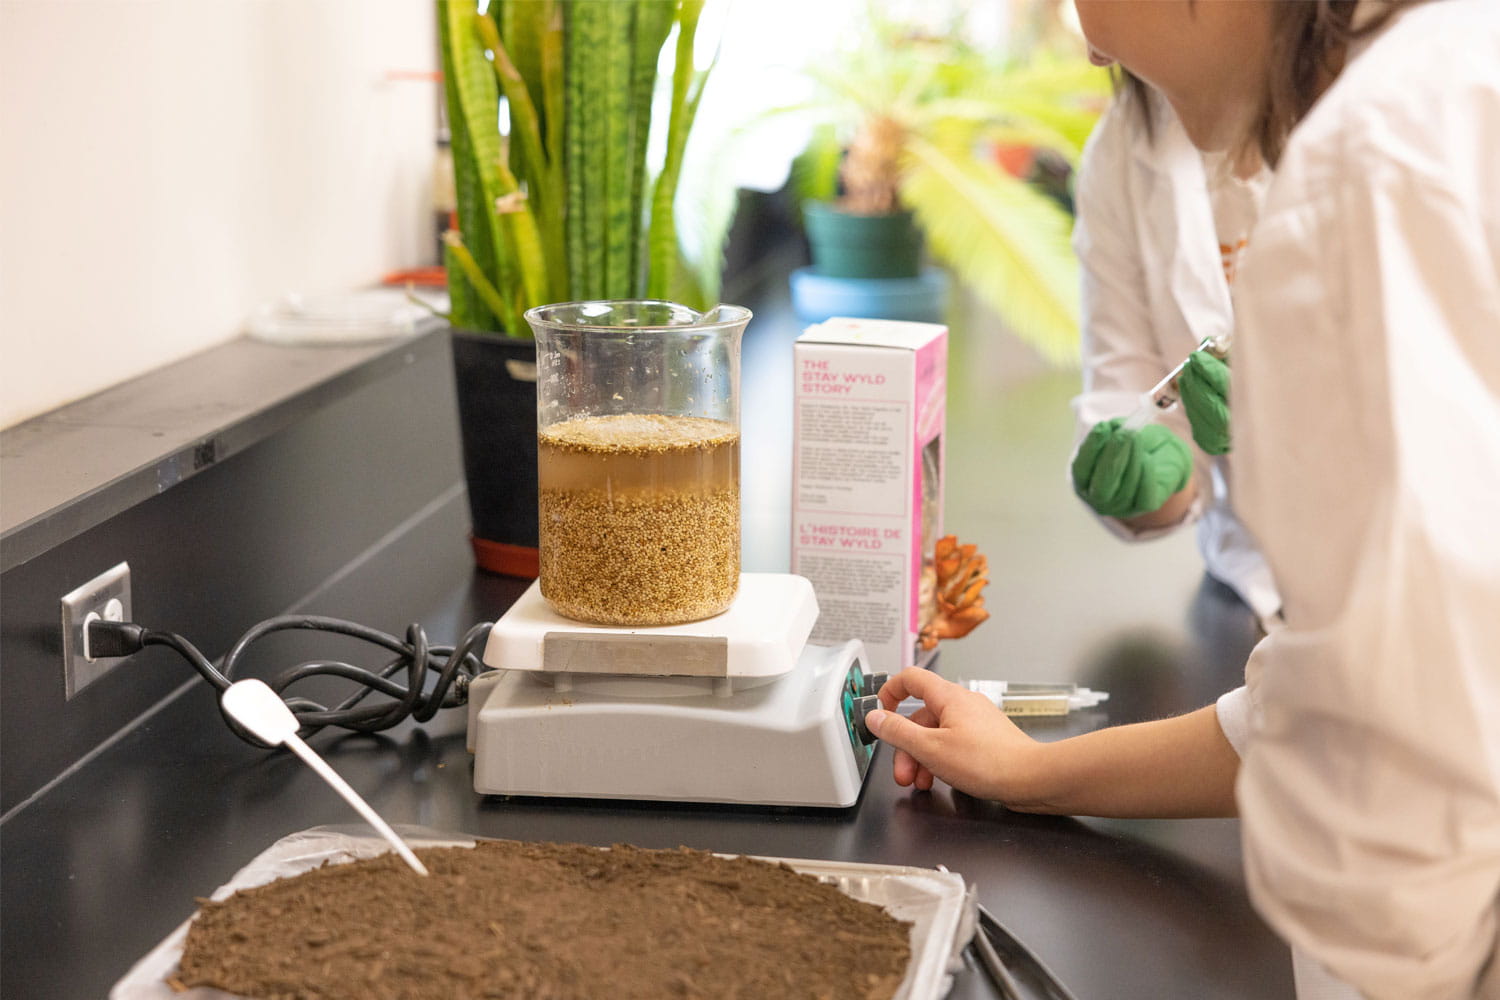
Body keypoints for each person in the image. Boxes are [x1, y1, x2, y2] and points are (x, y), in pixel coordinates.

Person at [864, 2, 1500, 998]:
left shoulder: (1384, 155)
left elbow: (1404, 747)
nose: (1084, 35)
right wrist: (1032, 771)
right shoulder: (1426, 97)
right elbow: (1324, 703)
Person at [1070, 66, 1281, 629]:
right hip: (1250, 581)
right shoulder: (1125, 144)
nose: (1093, 51)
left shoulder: (1395, 112)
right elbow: (1129, 392)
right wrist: (1141, 483)